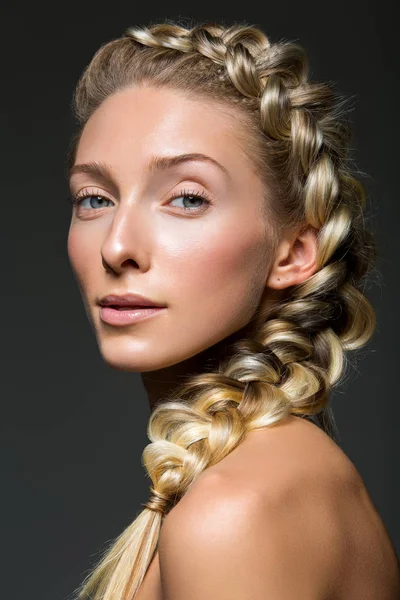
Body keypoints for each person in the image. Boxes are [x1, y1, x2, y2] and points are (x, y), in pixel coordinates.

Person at [65, 20, 399, 600]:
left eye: (187, 198)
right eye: (94, 198)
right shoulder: (275, 475)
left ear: (294, 253)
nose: (116, 247)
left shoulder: (236, 511)